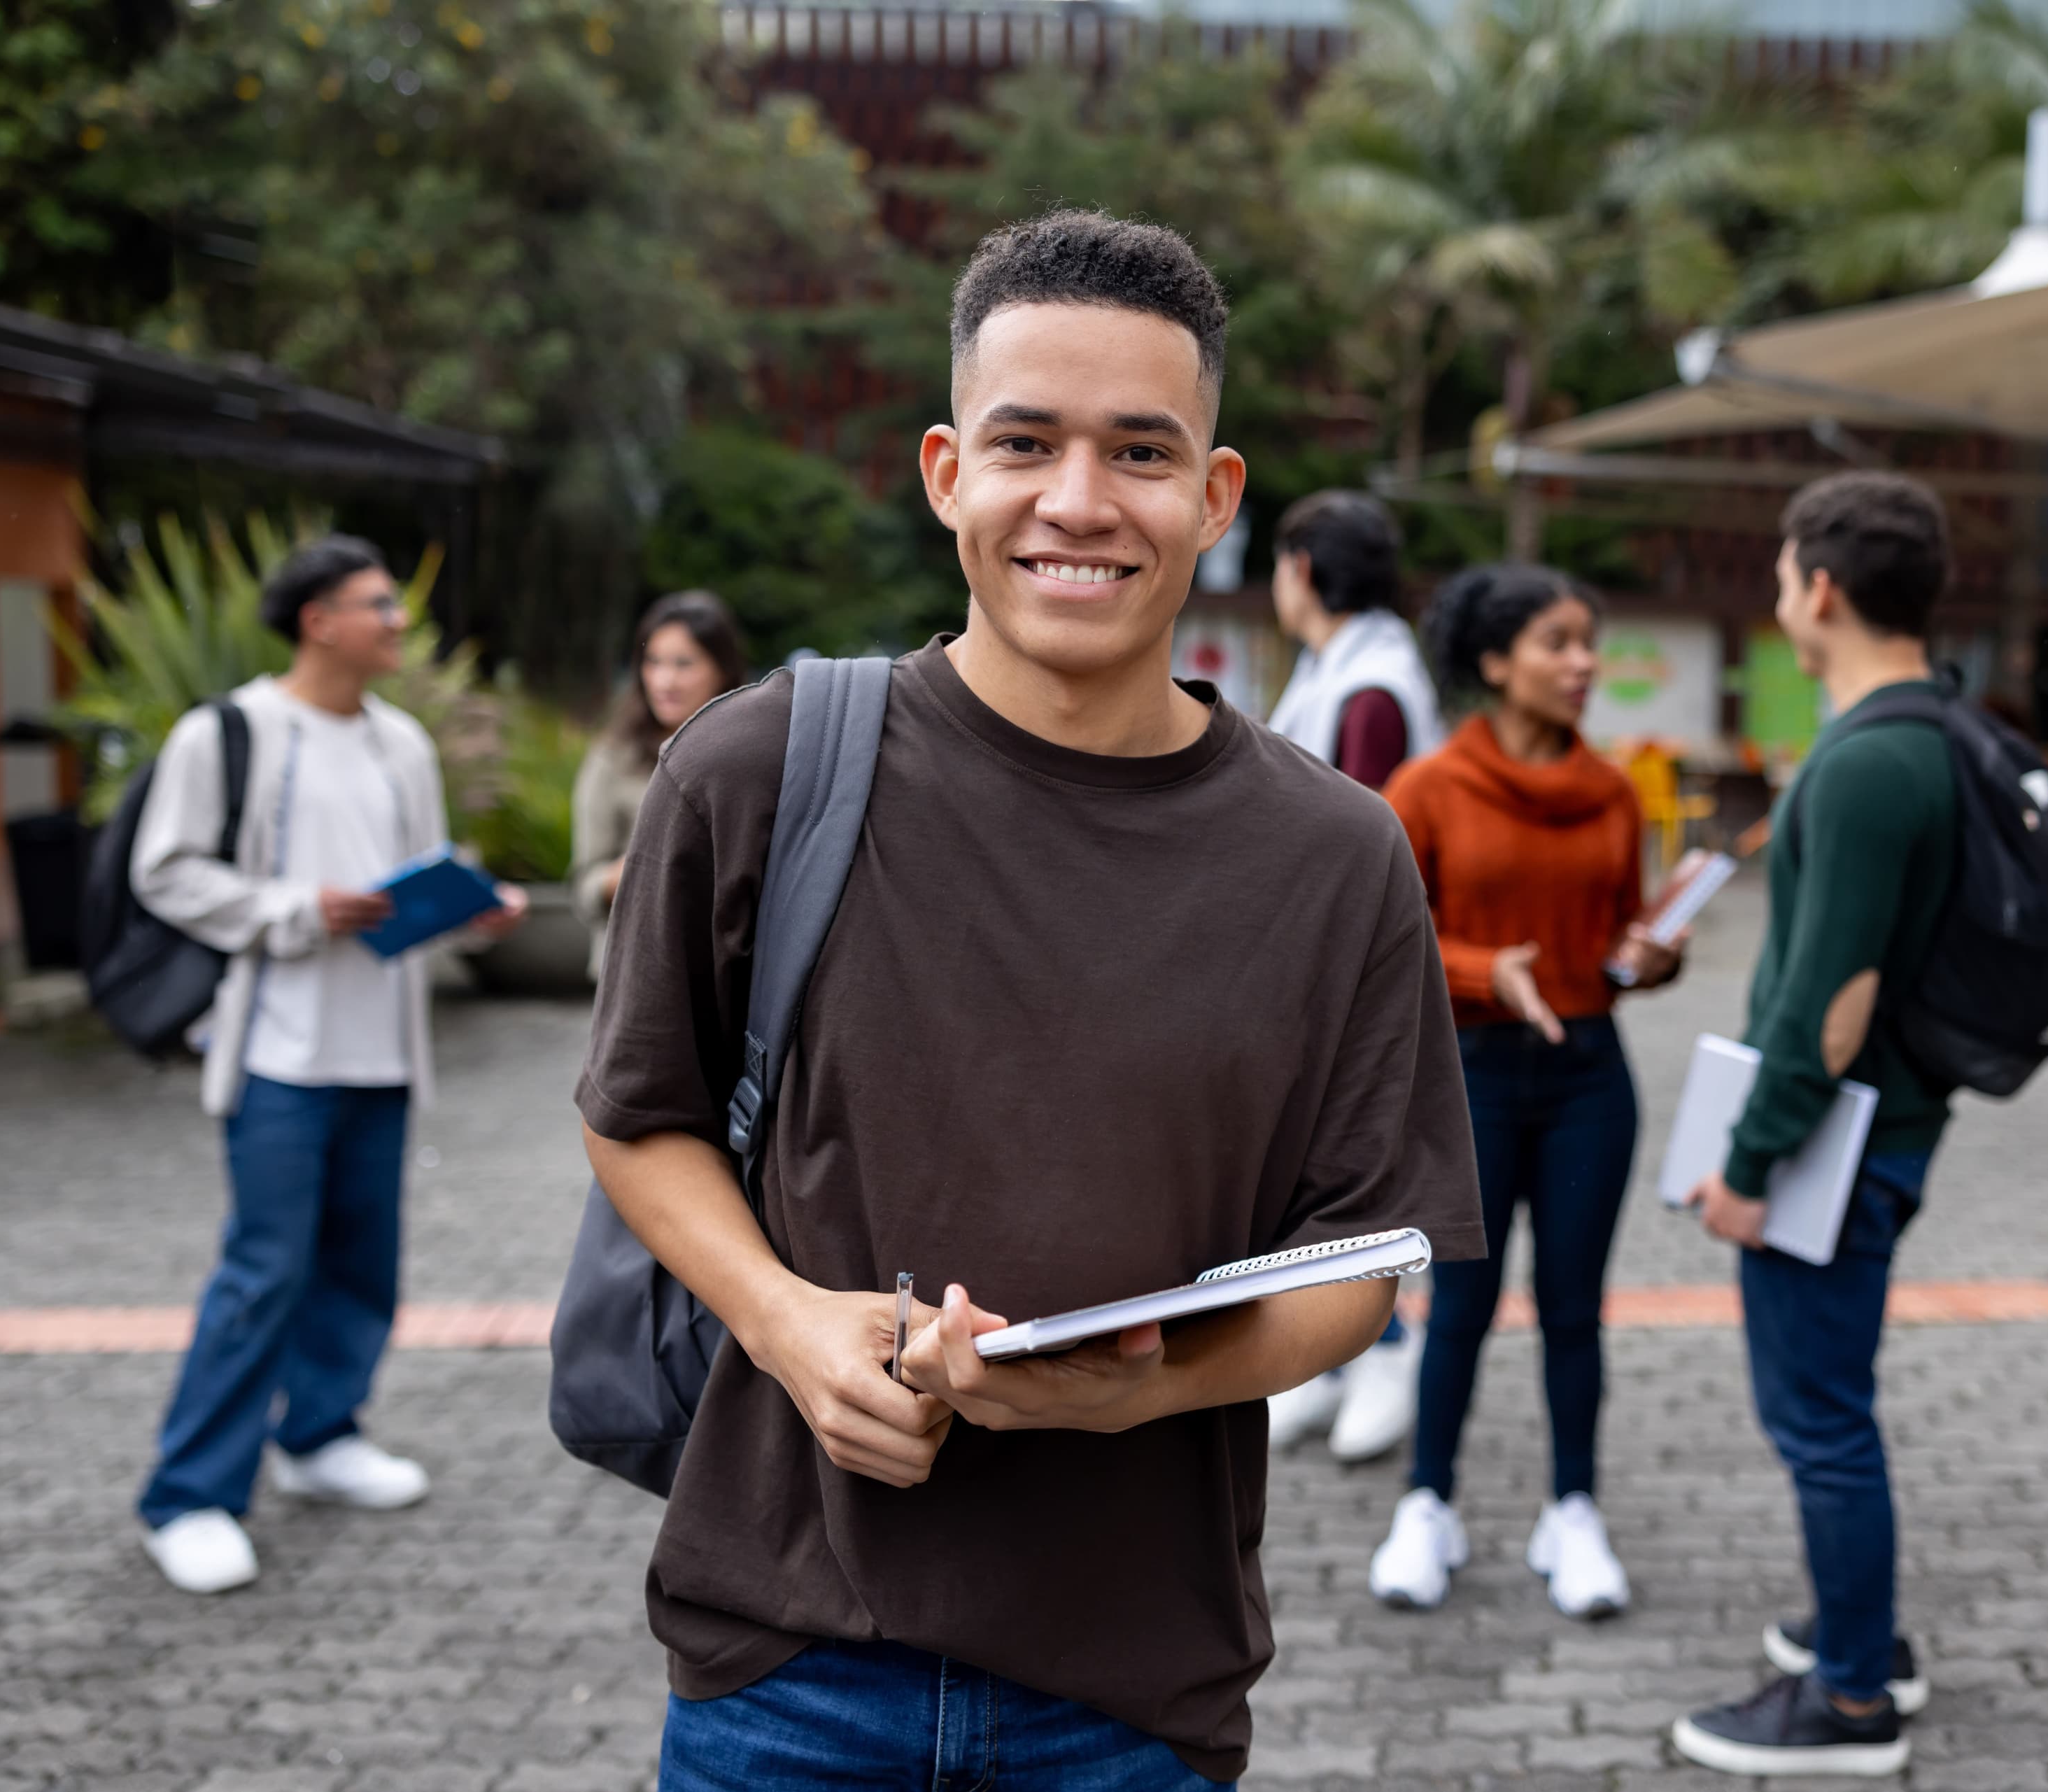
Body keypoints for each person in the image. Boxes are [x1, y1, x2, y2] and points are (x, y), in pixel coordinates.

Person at [575, 210, 1485, 1790]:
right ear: (945, 473)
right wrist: (787, 1324)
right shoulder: (757, 767)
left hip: (1132, 1686)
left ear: (1211, 497)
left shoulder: (1334, 853)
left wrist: (1151, 1385)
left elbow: (1362, 1257)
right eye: (1024, 443)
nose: (1077, 501)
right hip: (783, 1654)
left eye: (1140, 451)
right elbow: (641, 1116)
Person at [129, 535, 525, 1595]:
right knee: (264, 1271)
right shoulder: (230, 733)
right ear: (317, 621)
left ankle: (321, 1436)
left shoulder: (401, 743)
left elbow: (418, 886)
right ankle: (191, 1496)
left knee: (363, 1260)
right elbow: (162, 873)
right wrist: (296, 912)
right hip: (275, 1053)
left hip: (382, 1052)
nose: (398, 622)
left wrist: (470, 917)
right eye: (377, 605)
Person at [1669, 472, 1961, 1778]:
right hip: (1883, 1131)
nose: (1782, 595)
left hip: (1834, 1142)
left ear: (1823, 589)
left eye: (1786, 574)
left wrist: (1745, 1167)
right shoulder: (1933, 727)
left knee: (1822, 1420)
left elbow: (1829, 1007)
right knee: (1835, 1407)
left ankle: (1851, 1704)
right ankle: (1863, 1637)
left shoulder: (1863, 761)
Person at [1364, 563, 1686, 1621]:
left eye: (1589, 641)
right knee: (1461, 1304)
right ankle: (1429, 1505)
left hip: (1591, 1073)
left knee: (1575, 1311)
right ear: (1496, 664)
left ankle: (1573, 1511)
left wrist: (1649, 957)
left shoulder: (1611, 791)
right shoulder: (1428, 789)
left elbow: (1615, 943)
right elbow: (1386, 939)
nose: (1585, 662)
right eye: (1558, 642)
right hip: (1475, 1075)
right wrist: (1482, 969)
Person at [1262, 489, 1445, 1465]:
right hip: (1320, 964)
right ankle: (1329, 1365)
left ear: (1303, 571)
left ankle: (1386, 1348)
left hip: (1345, 974)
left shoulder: (1368, 689)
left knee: (1341, 1176)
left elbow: (1357, 835)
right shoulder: (1348, 668)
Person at [571, 591, 749, 979]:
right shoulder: (614, 757)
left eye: (684, 664)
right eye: (653, 662)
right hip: (635, 972)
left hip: (730, 974)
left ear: (722, 667)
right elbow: (583, 889)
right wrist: (632, 869)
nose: (665, 680)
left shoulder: (753, 753)